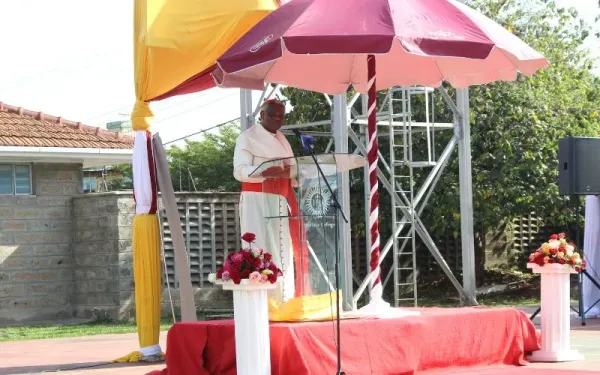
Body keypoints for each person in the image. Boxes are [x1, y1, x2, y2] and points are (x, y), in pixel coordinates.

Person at [233, 99, 310, 302]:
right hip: (257, 199)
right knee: (259, 248)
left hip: (280, 199)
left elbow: (292, 174)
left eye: (281, 116)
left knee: (282, 249)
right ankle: (262, 302)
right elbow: (239, 171)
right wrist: (265, 171)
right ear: (261, 115)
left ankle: (283, 300)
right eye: (273, 115)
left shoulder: (283, 139)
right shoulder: (247, 138)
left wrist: (299, 175)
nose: (277, 119)